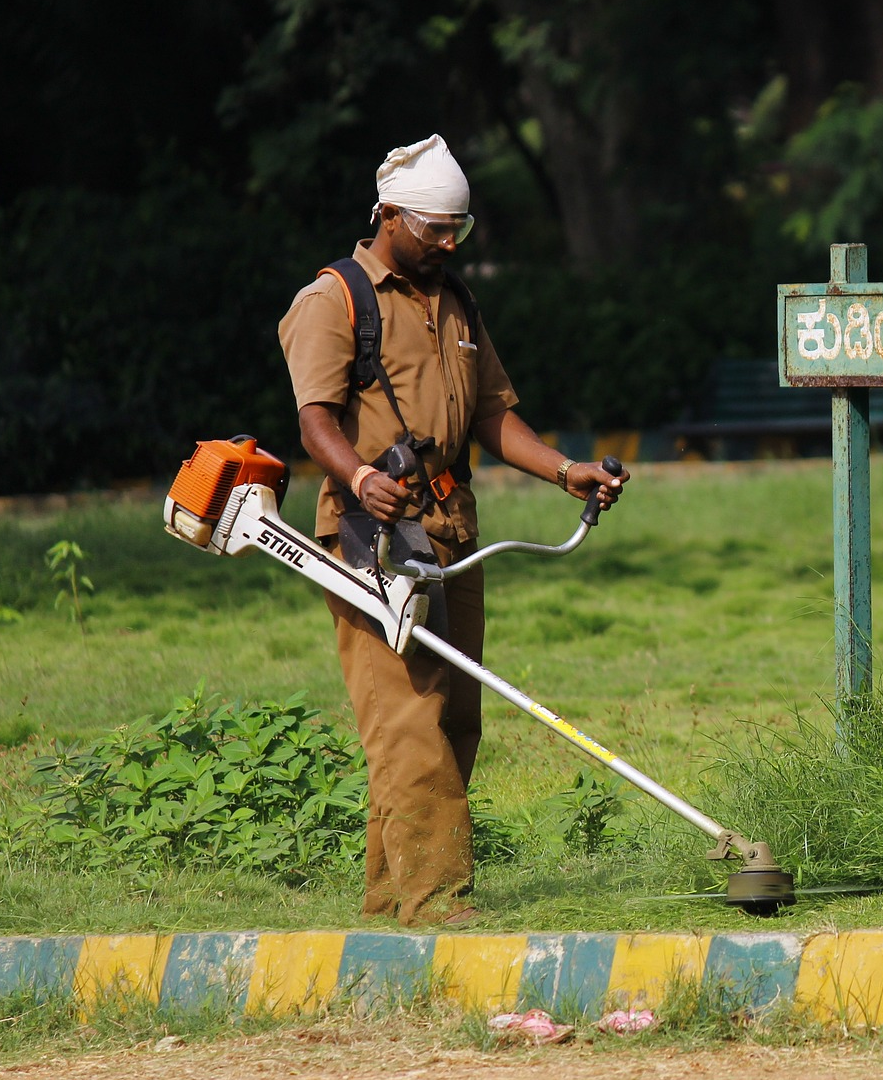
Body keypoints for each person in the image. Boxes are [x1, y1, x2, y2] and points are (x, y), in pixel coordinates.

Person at [278, 134, 628, 926]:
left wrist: (563, 468)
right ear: (391, 216)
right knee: (406, 720)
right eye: (436, 228)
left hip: (451, 532)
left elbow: (494, 413)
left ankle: (388, 901)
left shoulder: (458, 302)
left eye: (458, 230)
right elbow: (314, 420)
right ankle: (438, 905)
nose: (447, 242)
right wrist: (361, 476)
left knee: (451, 716)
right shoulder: (333, 300)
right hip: (370, 539)